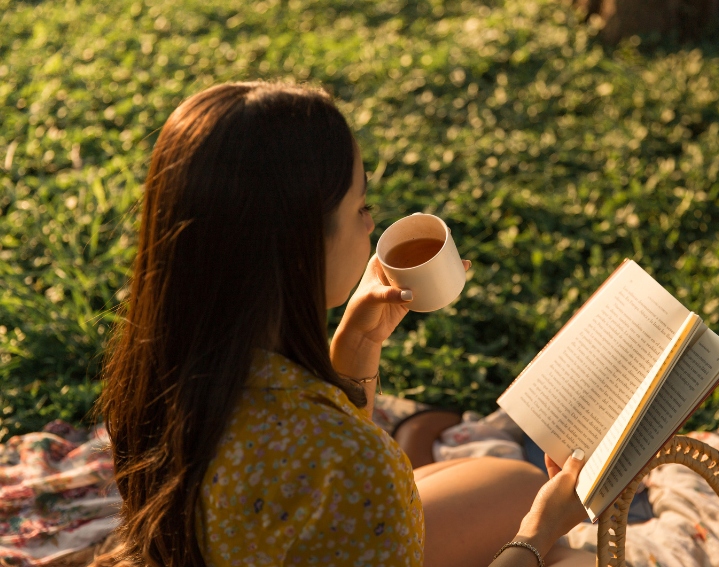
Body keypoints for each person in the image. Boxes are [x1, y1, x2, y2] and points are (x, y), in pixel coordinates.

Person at [98, 81, 595, 567]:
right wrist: (539, 533)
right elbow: (332, 466)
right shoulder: (354, 464)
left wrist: (356, 346)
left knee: (512, 486)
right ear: (303, 245)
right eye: (360, 206)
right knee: (568, 557)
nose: (370, 224)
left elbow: (309, 479)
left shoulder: (158, 375)